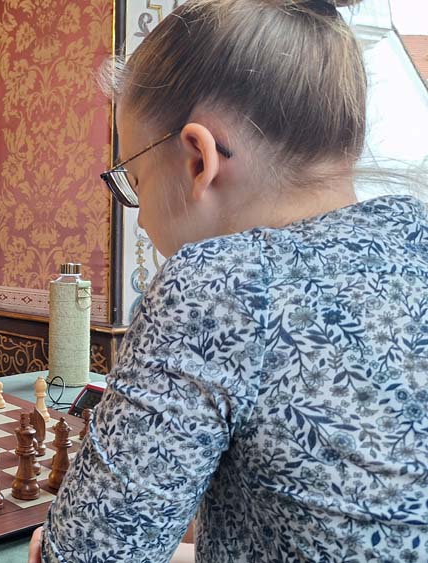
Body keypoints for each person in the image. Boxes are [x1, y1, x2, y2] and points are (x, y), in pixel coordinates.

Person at [30, 1, 428, 562]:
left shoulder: (215, 284)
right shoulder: (415, 232)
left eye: (135, 179)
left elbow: (83, 557)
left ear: (199, 158)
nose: (140, 215)